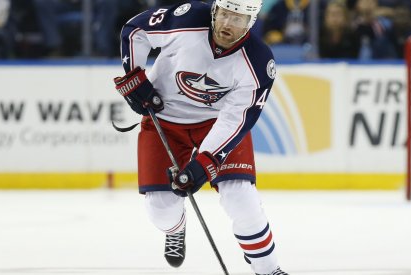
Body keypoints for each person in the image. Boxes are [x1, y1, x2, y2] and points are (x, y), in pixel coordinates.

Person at [113, 1, 288, 274]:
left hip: (217, 123)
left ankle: (269, 269)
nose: (229, 24)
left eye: (239, 19)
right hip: (165, 117)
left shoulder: (258, 61)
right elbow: (135, 30)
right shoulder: (187, 18)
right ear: (215, 11)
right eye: (226, 14)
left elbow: (235, 119)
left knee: (241, 198)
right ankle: (177, 228)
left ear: (251, 23)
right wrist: (135, 75)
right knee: (161, 209)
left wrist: (206, 161)